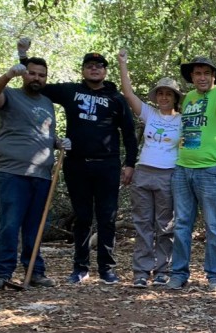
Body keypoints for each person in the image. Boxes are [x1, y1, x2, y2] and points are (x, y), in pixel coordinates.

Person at [21, 40, 138, 286]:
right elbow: (36, 83)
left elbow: (128, 132)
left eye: (99, 66)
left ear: (105, 71)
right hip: (76, 164)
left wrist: (130, 163)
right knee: (82, 217)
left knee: (106, 218)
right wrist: (23, 58)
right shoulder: (71, 91)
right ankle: (80, 268)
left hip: (107, 165)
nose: (94, 69)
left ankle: (107, 269)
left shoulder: (116, 99)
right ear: (83, 70)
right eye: (90, 65)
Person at [0, 56, 64, 288]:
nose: (36, 78)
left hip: (42, 174)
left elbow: (43, 134)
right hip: (12, 171)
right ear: (24, 74)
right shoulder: (10, 95)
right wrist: (8, 75)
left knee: (36, 226)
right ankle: (3, 273)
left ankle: (35, 271)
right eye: (32, 73)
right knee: (10, 223)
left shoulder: (48, 103)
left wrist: (58, 143)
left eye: (41, 75)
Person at [166, 45, 216, 292]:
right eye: (198, 73)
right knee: (182, 224)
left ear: (213, 76)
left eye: (207, 72)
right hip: (183, 169)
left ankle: (215, 276)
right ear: (192, 77)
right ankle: (178, 274)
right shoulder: (188, 99)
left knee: (213, 225)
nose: (203, 77)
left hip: (211, 170)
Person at [117, 49, 182, 288]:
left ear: (176, 97)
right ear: (156, 96)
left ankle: (163, 269)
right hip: (144, 172)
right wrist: (123, 63)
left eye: (169, 94)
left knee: (165, 224)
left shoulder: (182, 120)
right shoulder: (149, 114)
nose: (164, 97)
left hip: (168, 174)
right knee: (143, 223)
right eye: (161, 93)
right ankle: (142, 271)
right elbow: (127, 93)